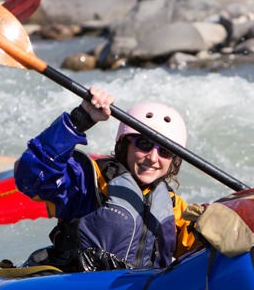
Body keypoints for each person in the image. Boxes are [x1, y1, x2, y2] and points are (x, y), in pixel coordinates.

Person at [14, 86, 200, 272]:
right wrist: (81, 119)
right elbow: (32, 175)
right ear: (124, 144)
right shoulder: (88, 182)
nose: (152, 158)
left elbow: (204, 248)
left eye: (165, 151)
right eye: (144, 144)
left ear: (173, 160)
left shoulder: (173, 206)